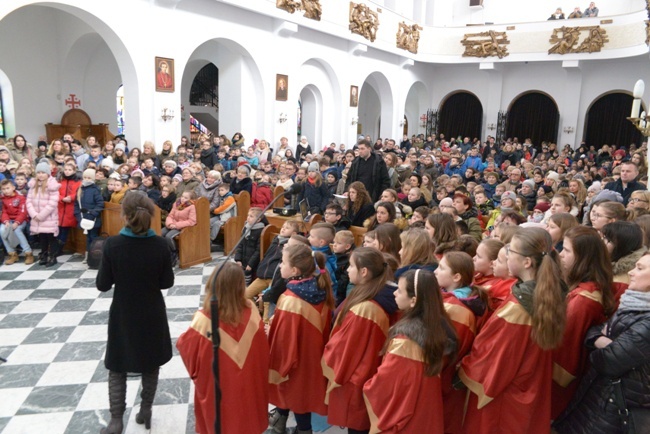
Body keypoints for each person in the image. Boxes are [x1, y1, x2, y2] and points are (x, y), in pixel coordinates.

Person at [458, 227, 566, 433]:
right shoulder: (546, 289)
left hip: (508, 391)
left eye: (511, 253)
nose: (506, 257)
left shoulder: (519, 307)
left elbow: (497, 355)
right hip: (530, 381)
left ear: (527, 262)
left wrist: (463, 367)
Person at [96, 193, 174, 434]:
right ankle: (146, 410)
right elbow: (166, 282)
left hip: (124, 311)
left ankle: (116, 421)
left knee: (117, 365)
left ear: (124, 216)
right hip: (152, 311)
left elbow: (102, 284)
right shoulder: (161, 244)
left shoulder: (113, 244)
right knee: (150, 363)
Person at [553, 252, 650, 434]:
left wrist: (600, 344)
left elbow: (608, 361)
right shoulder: (632, 304)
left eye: (640, 268)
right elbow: (593, 332)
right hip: (600, 397)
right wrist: (604, 340)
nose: (630, 272)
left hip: (617, 404)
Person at [176, 261, 269, 434]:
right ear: (241, 287)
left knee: (222, 422)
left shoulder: (204, 319)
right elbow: (262, 352)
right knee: (246, 420)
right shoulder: (252, 311)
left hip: (218, 387)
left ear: (213, 284)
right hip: (248, 385)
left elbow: (187, 349)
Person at [363, 269, 454, 433]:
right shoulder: (440, 327)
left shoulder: (406, 342)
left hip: (407, 418)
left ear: (413, 300)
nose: (395, 294)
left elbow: (386, 384)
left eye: (399, 290)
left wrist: (368, 386)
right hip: (428, 408)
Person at [322, 247, 398, 434]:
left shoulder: (366, 309)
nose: (347, 270)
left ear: (364, 272)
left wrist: (327, 355)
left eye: (351, 266)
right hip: (366, 373)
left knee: (358, 427)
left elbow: (347, 348)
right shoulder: (374, 293)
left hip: (359, 377)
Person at [267, 245, 334, 434]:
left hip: (295, 359)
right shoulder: (319, 287)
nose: (280, 265)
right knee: (300, 395)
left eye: (283, 262)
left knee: (296, 396)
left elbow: (283, 341)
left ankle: (304, 430)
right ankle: (281, 419)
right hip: (313, 355)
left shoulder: (291, 300)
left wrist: (270, 329)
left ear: (294, 271)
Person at [552, 226, 614, 419]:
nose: (561, 255)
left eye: (567, 250)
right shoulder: (582, 288)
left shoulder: (583, 301)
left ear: (583, 258)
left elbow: (565, 353)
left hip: (561, 386)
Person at [435, 251, 487, 433]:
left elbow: (444, 351)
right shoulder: (449, 300)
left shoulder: (457, 310)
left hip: (443, 380)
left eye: (441, 268)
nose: (435, 271)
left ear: (456, 277)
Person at [26, 160, 61, 267]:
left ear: (48, 173)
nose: (40, 175)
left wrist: (41, 215)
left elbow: (52, 203)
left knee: (51, 237)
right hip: (36, 217)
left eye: (43, 172)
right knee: (42, 237)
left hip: (48, 217)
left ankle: (52, 256)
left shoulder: (52, 185)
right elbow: (28, 201)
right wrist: (34, 214)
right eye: (38, 172)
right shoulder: (33, 185)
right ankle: (44, 254)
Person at [74, 168, 104, 265]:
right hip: (83, 219)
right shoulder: (80, 189)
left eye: (89, 178)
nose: (86, 179)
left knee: (93, 237)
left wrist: (92, 214)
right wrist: (79, 216)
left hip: (93, 219)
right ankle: (87, 256)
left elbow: (100, 204)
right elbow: (76, 205)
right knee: (88, 238)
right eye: (85, 177)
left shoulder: (95, 190)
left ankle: (94, 257)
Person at [0, 179, 33, 265]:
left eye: (8, 188)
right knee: (2, 230)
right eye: (3, 189)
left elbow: (22, 212)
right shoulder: (2, 199)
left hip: (20, 220)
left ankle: (28, 252)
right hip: (8, 220)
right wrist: (6, 221)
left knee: (17, 230)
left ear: (13, 188)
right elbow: (4, 212)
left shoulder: (20, 197)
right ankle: (12, 254)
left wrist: (17, 222)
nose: (6, 191)